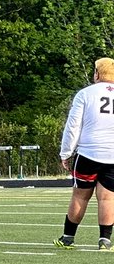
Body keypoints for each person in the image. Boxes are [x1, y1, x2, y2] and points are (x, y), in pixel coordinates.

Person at [53, 57, 114, 250]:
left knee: (80, 196)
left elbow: (73, 126)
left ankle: (68, 238)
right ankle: (104, 240)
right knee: (107, 198)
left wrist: (66, 152)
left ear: (97, 73)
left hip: (88, 153)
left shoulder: (85, 94)